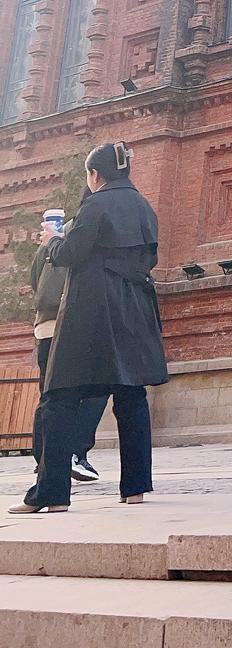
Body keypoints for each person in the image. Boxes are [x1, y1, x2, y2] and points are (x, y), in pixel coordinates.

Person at [8, 142, 168, 514]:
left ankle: (52, 494)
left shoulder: (95, 204)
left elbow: (70, 255)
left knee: (59, 397)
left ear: (95, 175)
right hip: (135, 311)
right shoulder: (145, 208)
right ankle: (136, 488)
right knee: (131, 396)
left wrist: (52, 243)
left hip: (91, 313)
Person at [28, 201, 109, 484]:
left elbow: (34, 282)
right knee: (93, 390)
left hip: (44, 327)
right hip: (70, 327)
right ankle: (75, 453)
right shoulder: (80, 243)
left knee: (49, 395)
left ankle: (45, 461)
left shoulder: (44, 246)